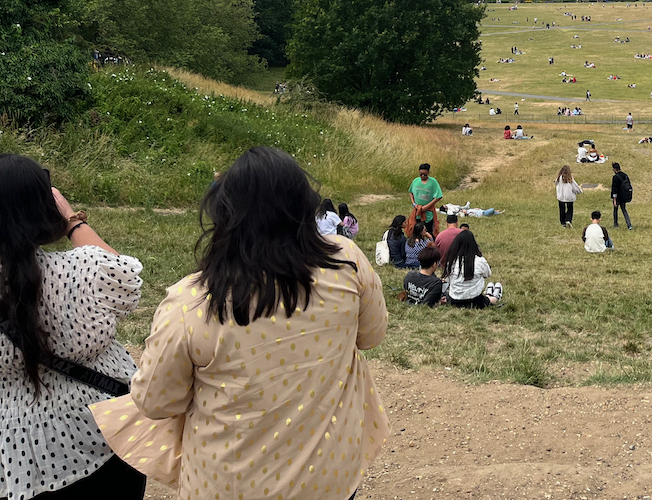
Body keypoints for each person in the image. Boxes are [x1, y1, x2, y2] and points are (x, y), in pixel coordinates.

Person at [125, 146, 388, 500]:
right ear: (304, 207)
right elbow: (372, 335)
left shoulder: (191, 303)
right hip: (330, 479)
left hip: (227, 486)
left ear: (223, 216)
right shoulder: (346, 263)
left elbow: (155, 402)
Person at [0, 154, 146, 499]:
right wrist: (71, 221)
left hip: (15, 457)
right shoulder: (83, 270)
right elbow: (123, 274)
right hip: (104, 437)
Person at [442, 231, 502, 308]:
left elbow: (448, 280)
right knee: (491, 300)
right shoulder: (479, 260)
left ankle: (489, 293)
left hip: (455, 301)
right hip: (475, 300)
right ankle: (494, 296)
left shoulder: (451, 261)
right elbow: (488, 274)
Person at [410, 163, 443, 236]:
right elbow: (410, 193)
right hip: (417, 210)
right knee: (416, 230)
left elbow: (438, 196)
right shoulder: (416, 181)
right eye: (421, 174)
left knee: (428, 230)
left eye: (425, 174)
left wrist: (426, 207)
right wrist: (414, 204)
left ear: (428, 173)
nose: (422, 176)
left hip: (428, 212)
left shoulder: (433, 182)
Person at [610, 162, 634, 230]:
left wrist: (614, 199)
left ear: (614, 169)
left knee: (615, 210)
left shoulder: (615, 177)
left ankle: (615, 223)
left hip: (618, 197)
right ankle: (629, 224)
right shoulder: (625, 175)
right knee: (624, 210)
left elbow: (615, 189)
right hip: (624, 196)